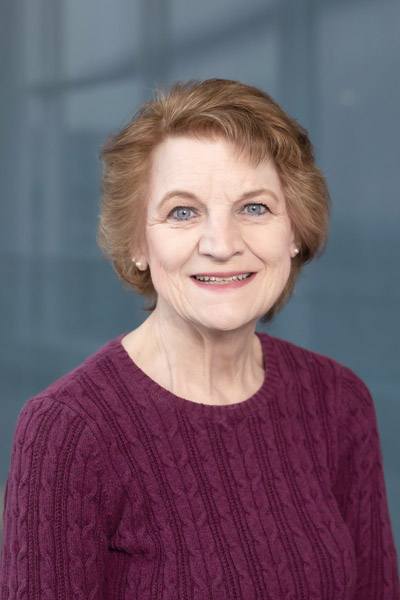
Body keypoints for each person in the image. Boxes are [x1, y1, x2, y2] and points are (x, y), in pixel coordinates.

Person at [0, 78, 399, 599]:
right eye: (182, 212)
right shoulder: (69, 432)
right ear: (139, 242)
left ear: (295, 232)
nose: (221, 244)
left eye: (253, 207)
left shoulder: (338, 399)